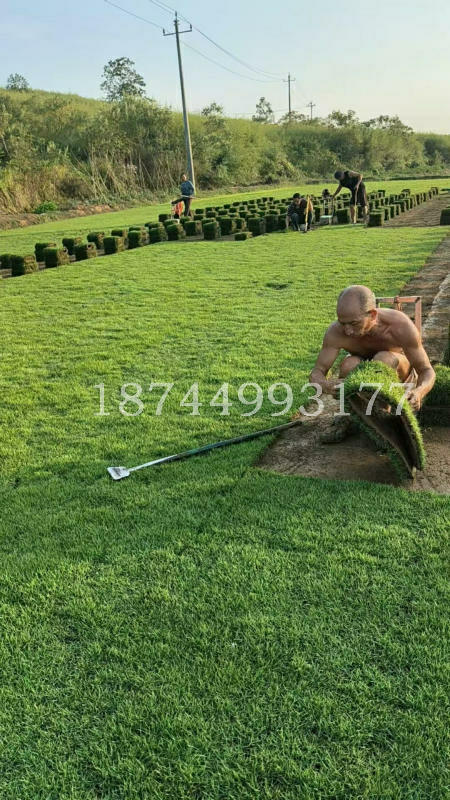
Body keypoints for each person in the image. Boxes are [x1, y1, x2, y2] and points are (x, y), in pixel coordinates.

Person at [309, 285, 435, 440]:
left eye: (354, 323)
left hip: (399, 376)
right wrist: (326, 385)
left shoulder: (400, 325)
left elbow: (426, 370)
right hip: (364, 373)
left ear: (373, 314)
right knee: (349, 364)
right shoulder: (336, 332)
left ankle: (385, 417)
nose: (347, 330)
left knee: (383, 358)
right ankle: (350, 414)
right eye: (342, 323)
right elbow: (316, 372)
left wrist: (419, 392)